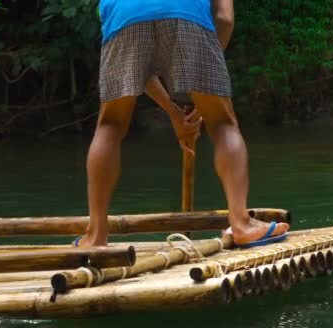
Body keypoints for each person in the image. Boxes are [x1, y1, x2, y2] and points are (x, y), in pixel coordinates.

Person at [74, 0, 290, 247]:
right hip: (186, 13)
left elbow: (137, 70)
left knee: (110, 126)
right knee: (222, 124)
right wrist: (205, 86)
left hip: (124, 17)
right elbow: (225, 19)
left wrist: (175, 112)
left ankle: (96, 235)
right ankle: (241, 224)